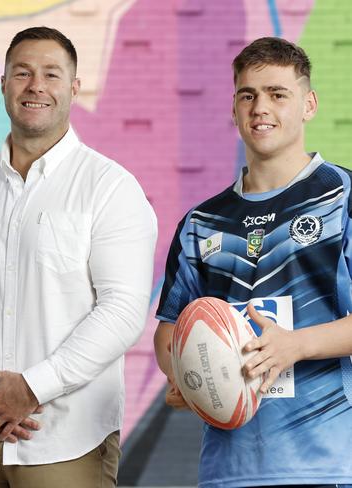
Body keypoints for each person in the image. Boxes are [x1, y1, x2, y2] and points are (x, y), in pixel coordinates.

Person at [0, 26, 157, 487]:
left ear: (74, 87)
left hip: (67, 437)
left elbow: (122, 310)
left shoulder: (110, 188)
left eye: (51, 74)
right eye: (22, 73)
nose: (36, 86)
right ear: (3, 84)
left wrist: (31, 388)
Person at [154, 36, 352, 487]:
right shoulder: (201, 221)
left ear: (309, 104)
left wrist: (294, 345)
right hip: (229, 470)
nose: (260, 107)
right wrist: (184, 369)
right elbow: (169, 327)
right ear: (234, 109)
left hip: (326, 464)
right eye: (248, 95)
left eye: (277, 94)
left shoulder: (343, 198)